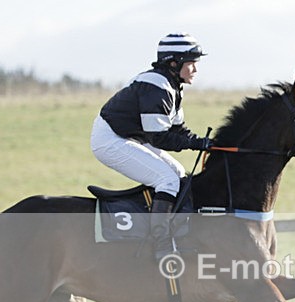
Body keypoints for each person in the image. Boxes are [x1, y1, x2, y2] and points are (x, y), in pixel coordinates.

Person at [90, 32, 212, 261]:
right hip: (110, 140)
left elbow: (177, 130)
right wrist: (196, 144)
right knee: (167, 180)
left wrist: (205, 143)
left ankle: (173, 228)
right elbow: (159, 138)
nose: (195, 69)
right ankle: (161, 242)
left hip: (132, 137)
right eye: (192, 63)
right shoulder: (157, 85)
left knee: (178, 174)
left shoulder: (172, 85)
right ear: (174, 63)